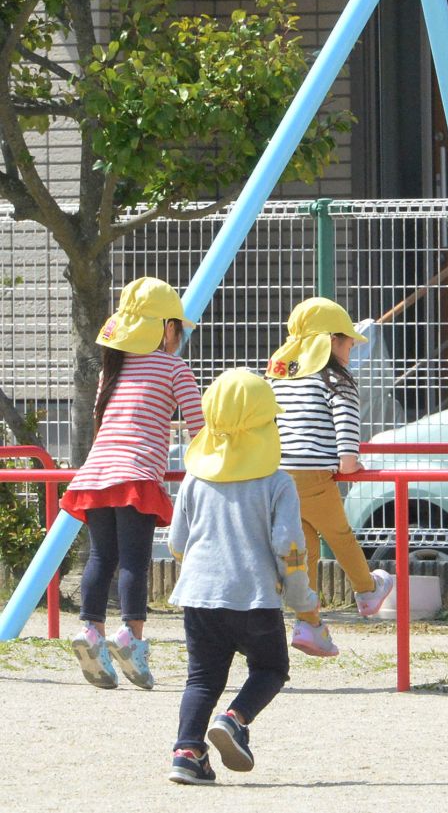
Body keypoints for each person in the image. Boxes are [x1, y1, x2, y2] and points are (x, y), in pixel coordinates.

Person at [167, 369, 318, 786]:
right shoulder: (277, 483)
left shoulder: (195, 479)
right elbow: (290, 549)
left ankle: (187, 751)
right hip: (254, 596)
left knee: (202, 676)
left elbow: (177, 541)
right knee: (270, 668)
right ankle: (234, 719)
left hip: (199, 594)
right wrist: (304, 602)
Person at [61, 276, 203, 690]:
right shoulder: (174, 366)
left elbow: (103, 421)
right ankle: (131, 638)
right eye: (179, 327)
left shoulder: (114, 367)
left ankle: (90, 630)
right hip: (137, 474)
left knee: (102, 558)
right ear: (165, 328)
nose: (180, 335)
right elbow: (199, 425)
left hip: (96, 473)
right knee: (135, 563)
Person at [266, 297, 393, 658]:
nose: (352, 345)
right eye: (347, 339)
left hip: (278, 474)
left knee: (301, 548)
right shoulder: (337, 380)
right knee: (341, 535)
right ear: (329, 342)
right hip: (315, 476)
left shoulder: (279, 379)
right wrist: (349, 464)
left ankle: (308, 622)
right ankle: (368, 591)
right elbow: (347, 431)